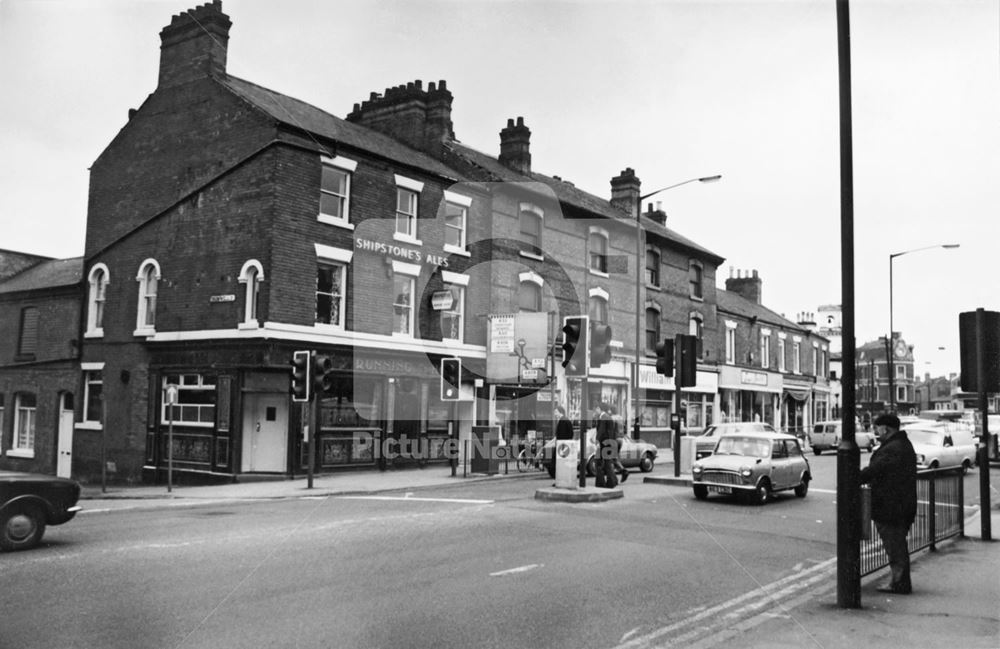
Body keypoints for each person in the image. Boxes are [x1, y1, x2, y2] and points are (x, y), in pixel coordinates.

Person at [859, 413, 917, 594]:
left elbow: (878, 469)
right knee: (897, 545)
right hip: (900, 504)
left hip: (892, 506)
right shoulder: (900, 445)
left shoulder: (893, 448)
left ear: (886, 428)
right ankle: (898, 581)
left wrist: (854, 477)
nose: (875, 431)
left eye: (877, 427)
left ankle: (899, 584)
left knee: (895, 546)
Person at [594, 402, 619, 489]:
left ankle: (601, 483)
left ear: (599, 408)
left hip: (604, 443)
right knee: (608, 463)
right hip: (609, 443)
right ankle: (612, 481)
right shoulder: (608, 417)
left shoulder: (603, 417)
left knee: (599, 463)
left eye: (596, 409)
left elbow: (601, 431)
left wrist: (597, 441)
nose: (595, 411)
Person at [609, 405, 629, 483]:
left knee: (611, 458)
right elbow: (625, 428)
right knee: (615, 458)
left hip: (615, 439)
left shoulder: (612, 418)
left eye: (609, 410)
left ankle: (622, 471)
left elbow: (611, 430)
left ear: (611, 410)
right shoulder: (621, 418)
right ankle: (615, 476)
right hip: (621, 439)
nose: (609, 412)